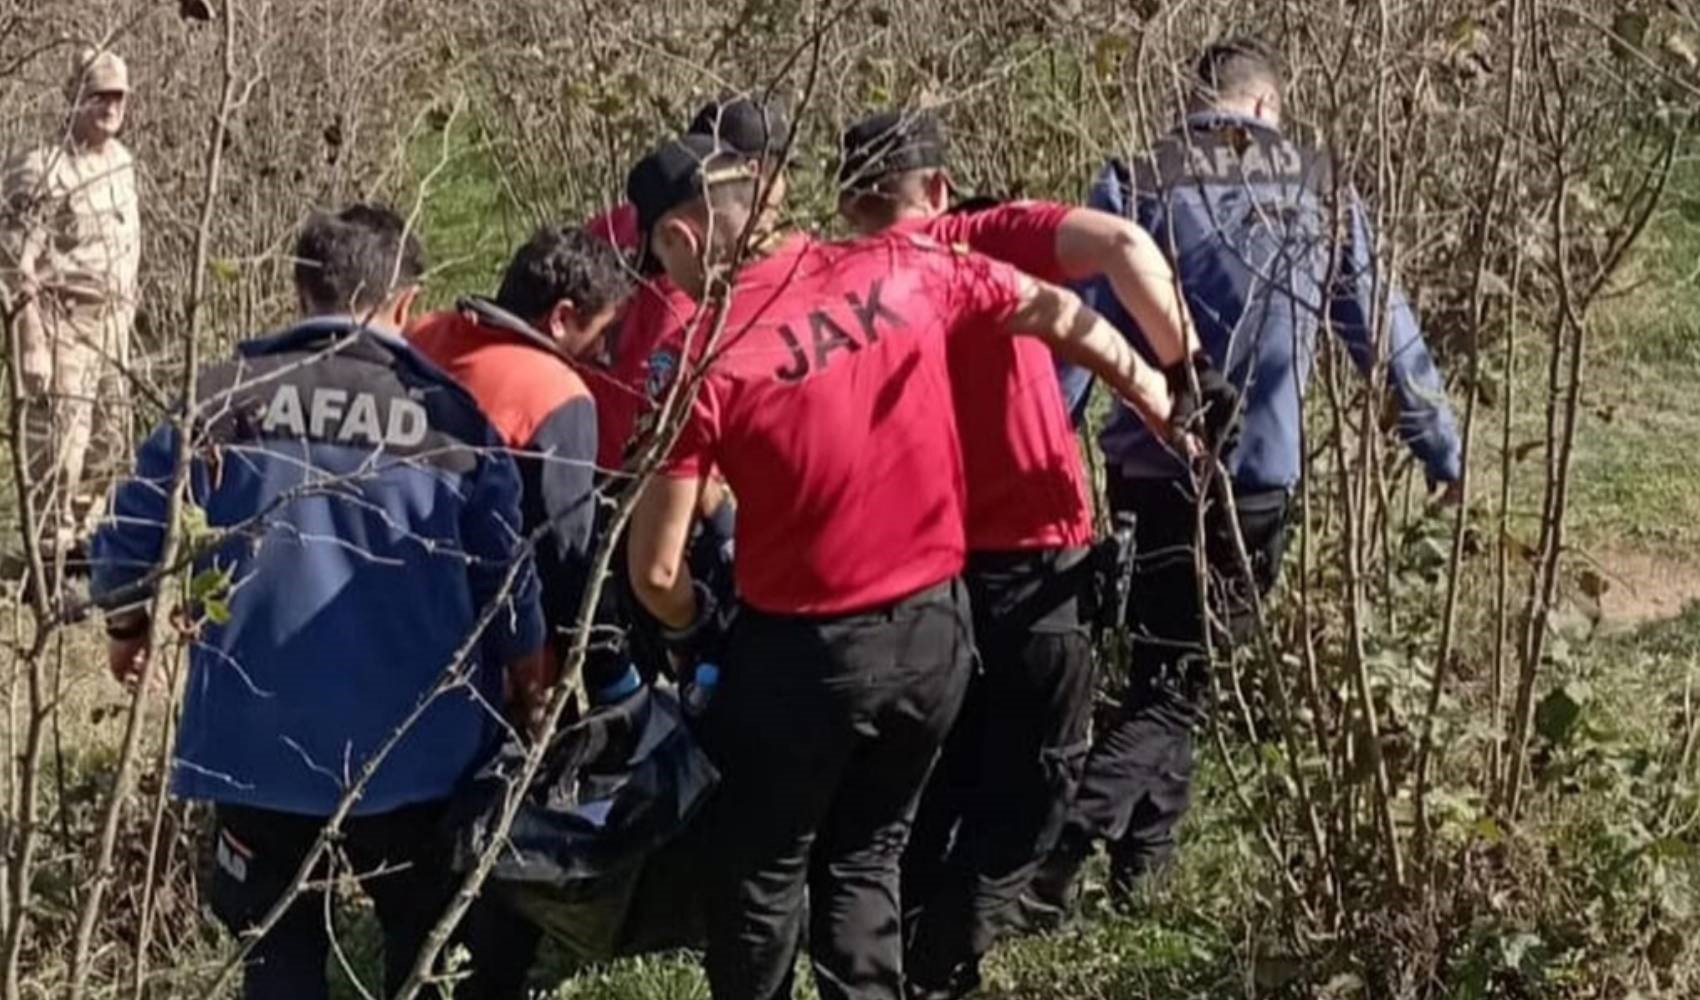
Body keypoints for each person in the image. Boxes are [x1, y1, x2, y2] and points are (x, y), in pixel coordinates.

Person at [621, 133, 1187, 1000]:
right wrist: (1162, 395)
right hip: (933, 638)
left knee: (764, 866)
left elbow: (656, 572)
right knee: (867, 853)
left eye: (661, 261)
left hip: (803, 658)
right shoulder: (910, 267)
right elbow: (1060, 314)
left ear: (682, 240)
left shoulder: (703, 360)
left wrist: (694, 624)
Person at [1031, 36, 1464, 917]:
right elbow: (1384, 333)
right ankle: (1052, 858)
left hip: (1151, 468)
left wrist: (1041, 451)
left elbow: (1080, 331)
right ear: (1266, 105)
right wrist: (1438, 447)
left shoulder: (1135, 182)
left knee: (1168, 661)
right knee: (1185, 677)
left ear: (1200, 102)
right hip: (1258, 474)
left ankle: (1139, 873)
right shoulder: (1321, 190)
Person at [89, 205, 546, 1000]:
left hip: (250, 747)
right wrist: (529, 675)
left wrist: (128, 625)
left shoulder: (221, 397)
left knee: (274, 954)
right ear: (407, 303)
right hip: (416, 751)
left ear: (302, 289)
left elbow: (130, 532)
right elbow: (506, 574)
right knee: (423, 944)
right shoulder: (448, 416)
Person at [833, 107, 1231, 1000]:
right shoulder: (975, 242)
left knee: (938, 785)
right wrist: (1186, 374)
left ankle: (904, 963)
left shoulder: (830, 287)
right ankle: (940, 968)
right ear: (937, 189)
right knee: (1031, 796)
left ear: (848, 201)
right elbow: (1124, 245)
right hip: (1034, 567)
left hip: (911, 582)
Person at [410, 223, 636, 707]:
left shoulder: (422, 336)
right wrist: (608, 674)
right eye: (602, 332)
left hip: (389, 616)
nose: (604, 353)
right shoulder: (553, 393)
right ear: (562, 317)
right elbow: (567, 560)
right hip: (492, 658)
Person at [2, 47, 141, 553]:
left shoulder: (121, 163)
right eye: (99, 94)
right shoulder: (42, 168)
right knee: (61, 452)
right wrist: (31, 339)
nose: (111, 106)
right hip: (62, 327)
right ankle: (48, 556)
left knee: (110, 441)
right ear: (75, 96)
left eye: (119, 96)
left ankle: (82, 543)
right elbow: (14, 265)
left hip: (112, 327)